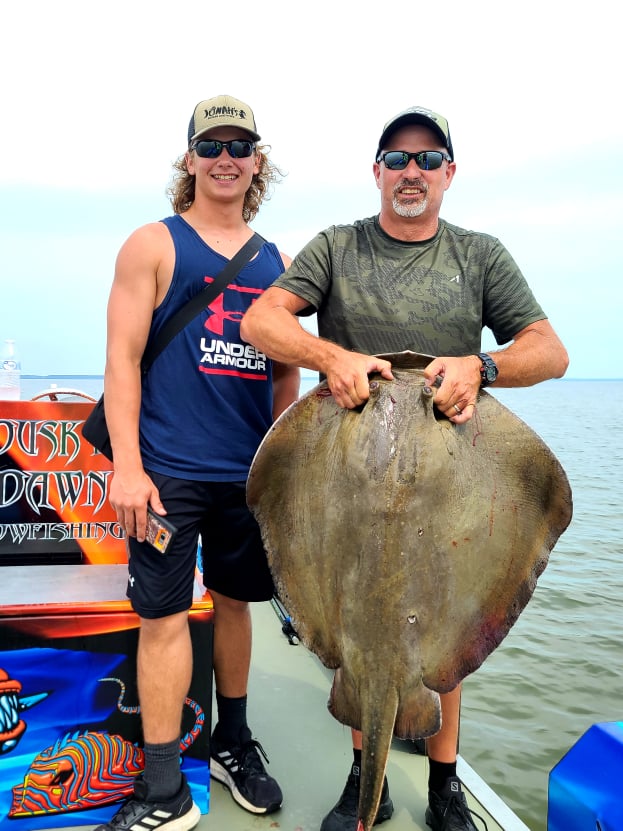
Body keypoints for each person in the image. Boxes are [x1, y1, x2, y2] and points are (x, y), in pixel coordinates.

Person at [240, 105, 568, 831]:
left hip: (453, 479)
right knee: (360, 620)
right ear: (377, 172)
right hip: (345, 477)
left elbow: (549, 352)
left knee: (449, 622)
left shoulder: (479, 256)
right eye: (396, 159)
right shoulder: (337, 246)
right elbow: (261, 321)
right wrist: (331, 357)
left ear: (449, 173)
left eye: (426, 159)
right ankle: (368, 779)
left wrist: (482, 367)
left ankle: (445, 784)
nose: (410, 171)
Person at [97, 94, 299, 831]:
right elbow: (122, 361)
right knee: (163, 615)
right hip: (167, 472)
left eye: (239, 146)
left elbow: (285, 372)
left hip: (244, 475)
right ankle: (162, 787)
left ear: (257, 161)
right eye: (210, 145)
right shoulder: (152, 244)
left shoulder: (277, 262)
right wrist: (128, 466)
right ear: (189, 159)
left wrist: (276, 465)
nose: (225, 158)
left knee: (237, 603)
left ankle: (231, 742)